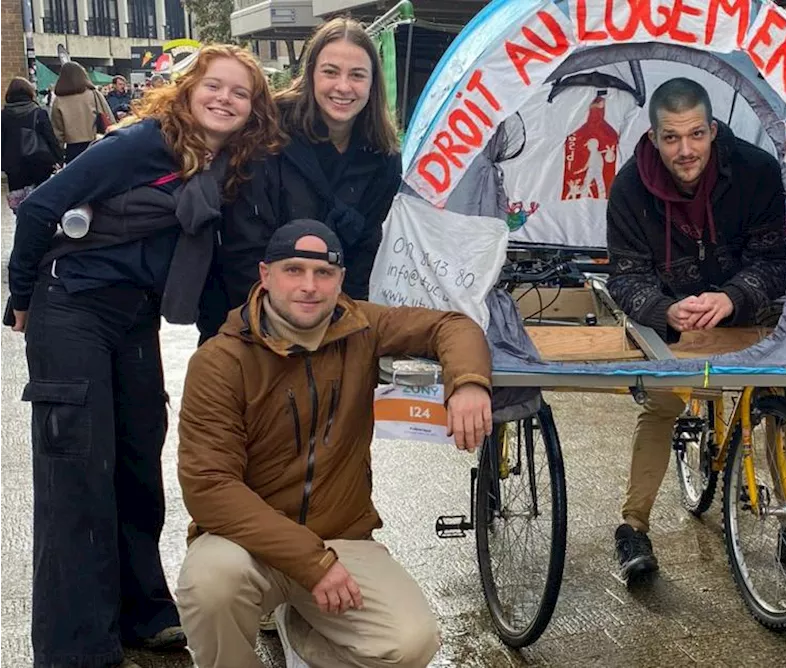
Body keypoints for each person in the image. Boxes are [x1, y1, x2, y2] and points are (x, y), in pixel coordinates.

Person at [7, 45, 279, 668]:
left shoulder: (222, 165)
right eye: (215, 86)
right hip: (72, 302)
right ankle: (76, 648)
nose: (226, 99)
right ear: (187, 89)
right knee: (77, 473)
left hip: (133, 317)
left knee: (136, 462)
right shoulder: (141, 143)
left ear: (255, 108)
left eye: (241, 93)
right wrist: (22, 297)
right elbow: (41, 207)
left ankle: (143, 613)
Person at [174, 220, 493, 668]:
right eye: (294, 271)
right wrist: (312, 563)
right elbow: (209, 487)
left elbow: (452, 325)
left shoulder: (364, 326)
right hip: (246, 543)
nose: (309, 286)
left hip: (343, 536)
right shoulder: (220, 361)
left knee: (410, 643)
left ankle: (306, 639)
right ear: (265, 276)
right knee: (210, 586)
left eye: (323, 273)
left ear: (340, 280)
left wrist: (469, 383)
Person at [604, 77, 786, 580]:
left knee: (779, 397)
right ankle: (633, 528)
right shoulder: (628, 187)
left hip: (743, 306)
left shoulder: (756, 171)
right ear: (652, 137)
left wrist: (733, 296)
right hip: (675, 315)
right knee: (663, 401)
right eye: (670, 137)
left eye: (695, 135)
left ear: (712, 129)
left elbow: (777, 259)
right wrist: (664, 309)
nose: (685, 150)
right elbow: (624, 277)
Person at [198, 17, 401, 344]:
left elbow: (364, 252)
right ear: (311, 74)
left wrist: (347, 330)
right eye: (331, 72)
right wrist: (277, 329)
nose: (343, 87)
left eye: (357, 75)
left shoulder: (383, 157)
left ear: (373, 83)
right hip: (247, 318)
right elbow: (243, 246)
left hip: (329, 322)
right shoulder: (268, 133)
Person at [0, 77, 62, 212]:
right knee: (41, 199)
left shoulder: (3, 116)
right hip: (39, 163)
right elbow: (50, 138)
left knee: (18, 202)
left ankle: (22, 224)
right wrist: (59, 159)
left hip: (14, 167)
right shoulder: (39, 113)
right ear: (29, 92)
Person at [50, 61, 113, 162]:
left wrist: (59, 154)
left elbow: (57, 133)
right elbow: (109, 119)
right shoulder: (94, 94)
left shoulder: (58, 101)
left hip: (72, 149)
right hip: (96, 144)